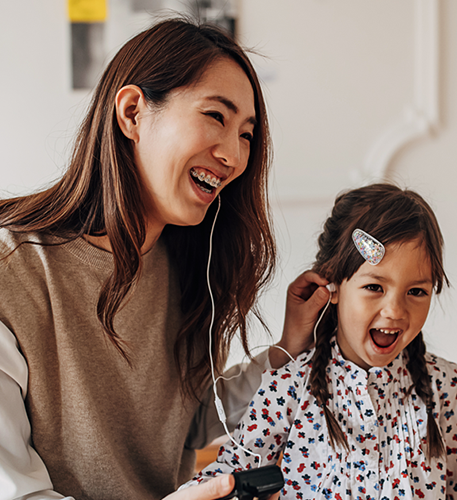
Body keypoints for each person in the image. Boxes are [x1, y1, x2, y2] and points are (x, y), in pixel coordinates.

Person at [0, 18, 330, 500]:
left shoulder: (192, 272)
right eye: (217, 116)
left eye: (246, 134)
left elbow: (189, 422)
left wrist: (287, 348)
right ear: (133, 112)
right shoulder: (13, 272)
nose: (235, 158)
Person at [184, 183, 457, 499]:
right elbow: (225, 478)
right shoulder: (288, 386)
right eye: (375, 287)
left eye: (417, 292)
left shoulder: (450, 387)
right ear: (332, 284)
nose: (396, 311)